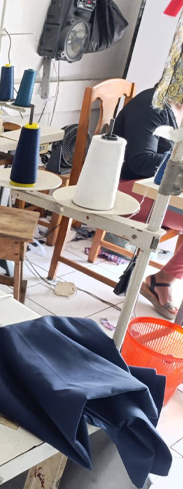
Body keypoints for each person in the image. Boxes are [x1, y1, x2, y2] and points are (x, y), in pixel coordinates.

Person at [115, 87, 183, 319]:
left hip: (159, 189)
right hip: (126, 188)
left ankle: (163, 279)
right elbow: (140, 162)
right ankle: (162, 280)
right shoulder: (151, 105)